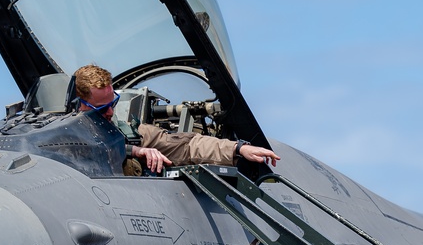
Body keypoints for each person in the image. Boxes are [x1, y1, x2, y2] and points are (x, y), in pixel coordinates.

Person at [73, 65, 280, 173]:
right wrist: (134, 152)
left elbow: (189, 146)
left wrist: (238, 149)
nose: (110, 113)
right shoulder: (60, 137)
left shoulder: (133, 134)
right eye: (101, 109)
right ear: (81, 104)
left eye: (113, 104)